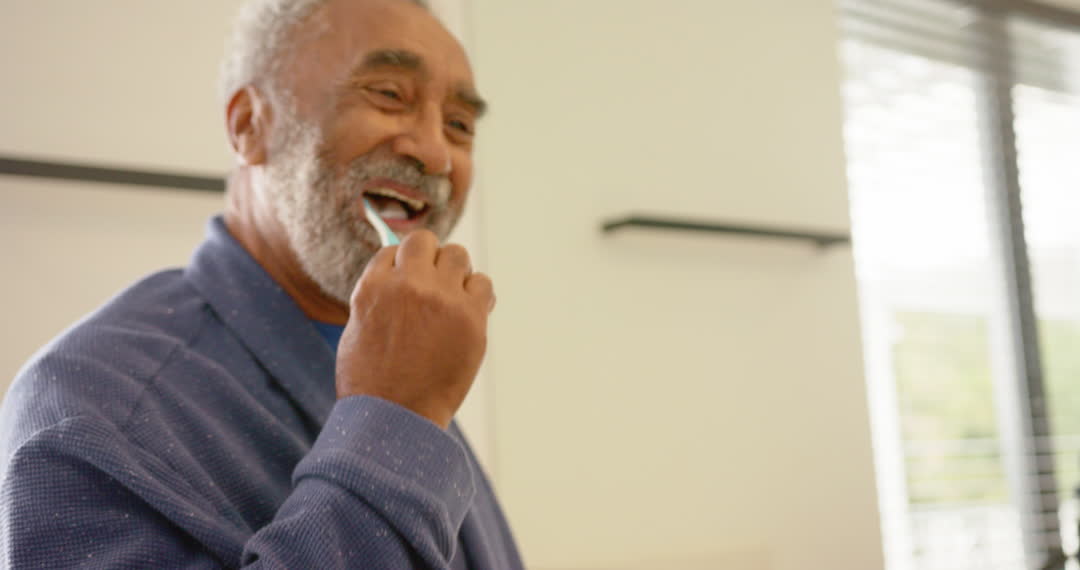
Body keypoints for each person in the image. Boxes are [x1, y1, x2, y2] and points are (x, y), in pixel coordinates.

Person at [0, 0, 524, 567]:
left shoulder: (406, 371)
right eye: (389, 95)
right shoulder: (91, 405)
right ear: (249, 125)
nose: (436, 155)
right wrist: (398, 421)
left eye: (459, 125)